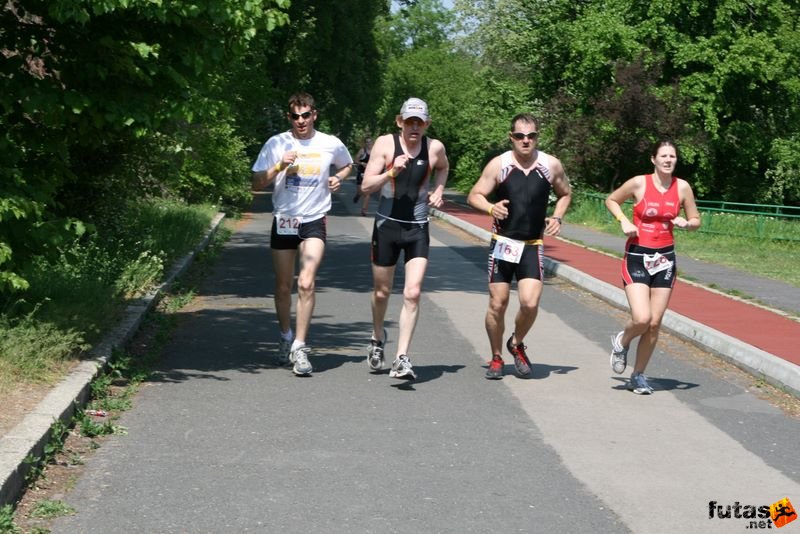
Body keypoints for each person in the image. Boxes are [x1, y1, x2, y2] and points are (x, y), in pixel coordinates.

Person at [251, 92, 353, 376]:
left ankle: (300, 345)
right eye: (295, 116)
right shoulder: (276, 143)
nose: (300, 121)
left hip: (314, 220)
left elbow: (347, 165)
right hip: (284, 219)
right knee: (284, 285)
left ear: (314, 115)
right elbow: (255, 184)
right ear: (289, 118)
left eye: (305, 115)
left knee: (306, 282)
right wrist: (279, 165)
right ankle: (285, 336)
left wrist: (338, 178)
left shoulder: (329, 143)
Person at [467, 113, 572, 380]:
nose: (526, 141)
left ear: (538, 136)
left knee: (530, 302)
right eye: (520, 136)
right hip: (503, 244)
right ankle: (496, 357)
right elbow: (474, 195)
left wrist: (557, 216)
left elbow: (565, 193)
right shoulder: (499, 165)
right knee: (497, 304)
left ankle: (515, 342)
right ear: (511, 137)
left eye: (531, 136)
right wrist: (491, 207)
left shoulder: (551, 165)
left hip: (532, 244)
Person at [360, 98, 449, 380]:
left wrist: (438, 189)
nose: (414, 127)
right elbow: (365, 185)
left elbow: (444, 167)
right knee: (381, 292)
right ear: (399, 121)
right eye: (409, 121)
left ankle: (402, 357)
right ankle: (376, 339)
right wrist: (390, 172)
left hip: (417, 227)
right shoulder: (385, 145)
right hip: (387, 225)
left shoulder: (434, 148)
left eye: (419, 122)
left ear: (426, 124)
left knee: (412, 292)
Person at [605, 139, 701, 394]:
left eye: (672, 156)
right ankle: (622, 340)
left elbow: (696, 219)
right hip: (637, 254)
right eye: (664, 156)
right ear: (654, 159)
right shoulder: (639, 182)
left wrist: (687, 224)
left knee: (655, 323)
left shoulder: (682, 187)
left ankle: (638, 376)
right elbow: (612, 200)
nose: (668, 160)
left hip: (665, 258)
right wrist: (623, 221)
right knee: (642, 318)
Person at [352, 136, 374, 216]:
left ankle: (364, 210)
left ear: (373, 142)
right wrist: (362, 163)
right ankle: (358, 194)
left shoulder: (375, 151)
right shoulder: (362, 151)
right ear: (365, 143)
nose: (369, 143)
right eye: (367, 142)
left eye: (370, 142)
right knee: (361, 190)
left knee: (367, 192)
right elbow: (355, 160)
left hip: (370, 173)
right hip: (361, 172)